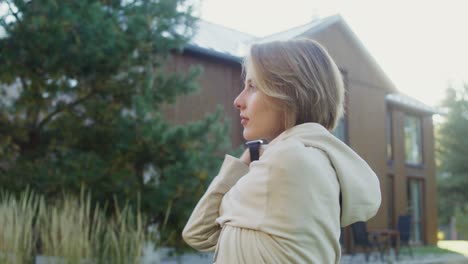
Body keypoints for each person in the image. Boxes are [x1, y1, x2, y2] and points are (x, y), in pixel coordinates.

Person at [182, 38, 381, 263]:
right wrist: (249, 158)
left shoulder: (287, 160)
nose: (238, 100)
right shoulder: (312, 160)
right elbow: (199, 235)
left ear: (289, 93)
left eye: (253, 86)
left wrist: (242, 164)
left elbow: (197, 232)